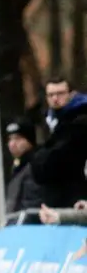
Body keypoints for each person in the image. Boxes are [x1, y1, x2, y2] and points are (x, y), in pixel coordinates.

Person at [29, 76, 87, 208]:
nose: (55, 99)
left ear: (72, 94)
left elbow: (58, 159)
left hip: (76, 198)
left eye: (60, 93)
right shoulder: (50, 121)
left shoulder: (80, 121)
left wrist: (39, 158)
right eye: (51, 95)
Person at [4, 118, 43, 222]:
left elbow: (31, 205)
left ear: (29, 140)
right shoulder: (18, 166)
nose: (12, 144)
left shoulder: (36, 165)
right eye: (10, 139)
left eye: (18, 138)